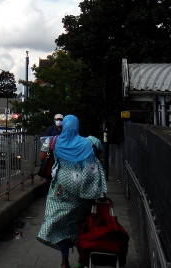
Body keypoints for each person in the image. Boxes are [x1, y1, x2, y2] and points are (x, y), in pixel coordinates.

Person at [37, 114, 107, 268]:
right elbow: (98, 155)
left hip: (60, 188)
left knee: (61, 224)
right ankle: (82, 261)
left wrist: (51, 152)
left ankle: (64, 259)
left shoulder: (53, 141)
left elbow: (42, 157)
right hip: (82, 189)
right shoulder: (89, 142)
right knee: (81, 224)